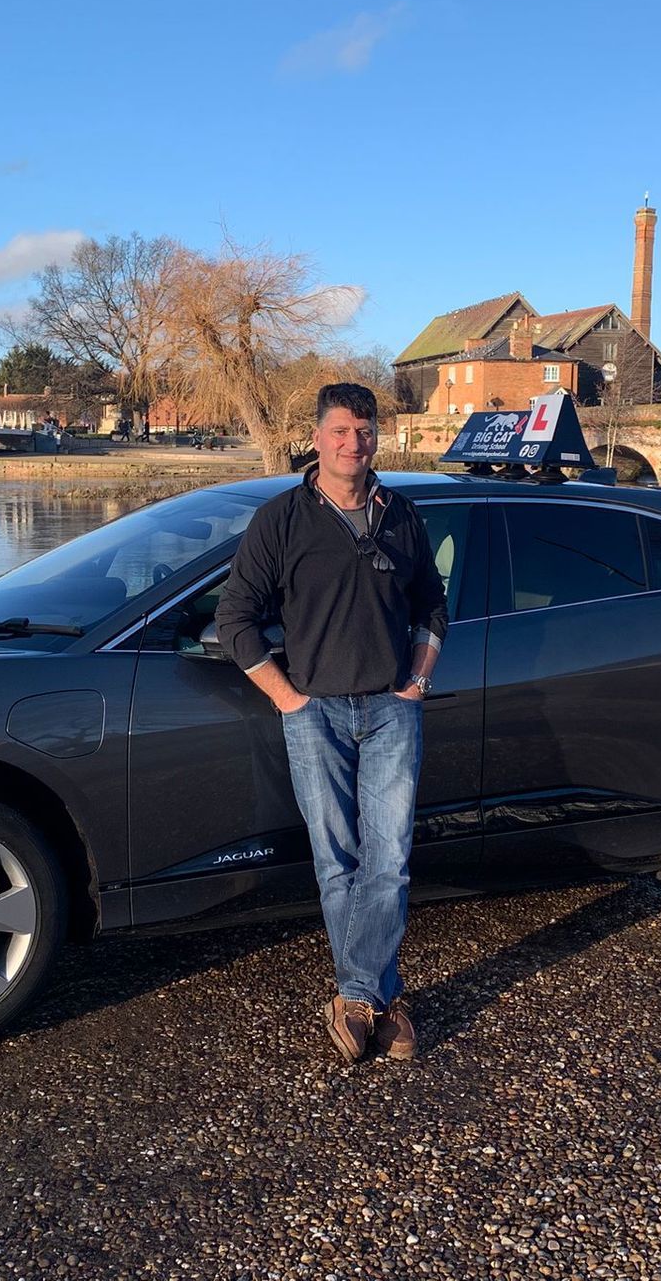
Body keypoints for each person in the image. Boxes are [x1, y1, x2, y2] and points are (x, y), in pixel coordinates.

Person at [215, 383, 447, 1064]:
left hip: (389, 711)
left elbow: (432, 607)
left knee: (391, 861)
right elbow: (235, 620)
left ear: (378, 436)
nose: (355, 442)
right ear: (317, 437)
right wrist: (288, 697)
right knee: (336, 861)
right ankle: (379, 998)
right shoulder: (282, 520)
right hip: (314, 711)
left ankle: (358, 999)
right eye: (341, 431)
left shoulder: (400, 515)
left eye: (365, 431)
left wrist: (418, 682)